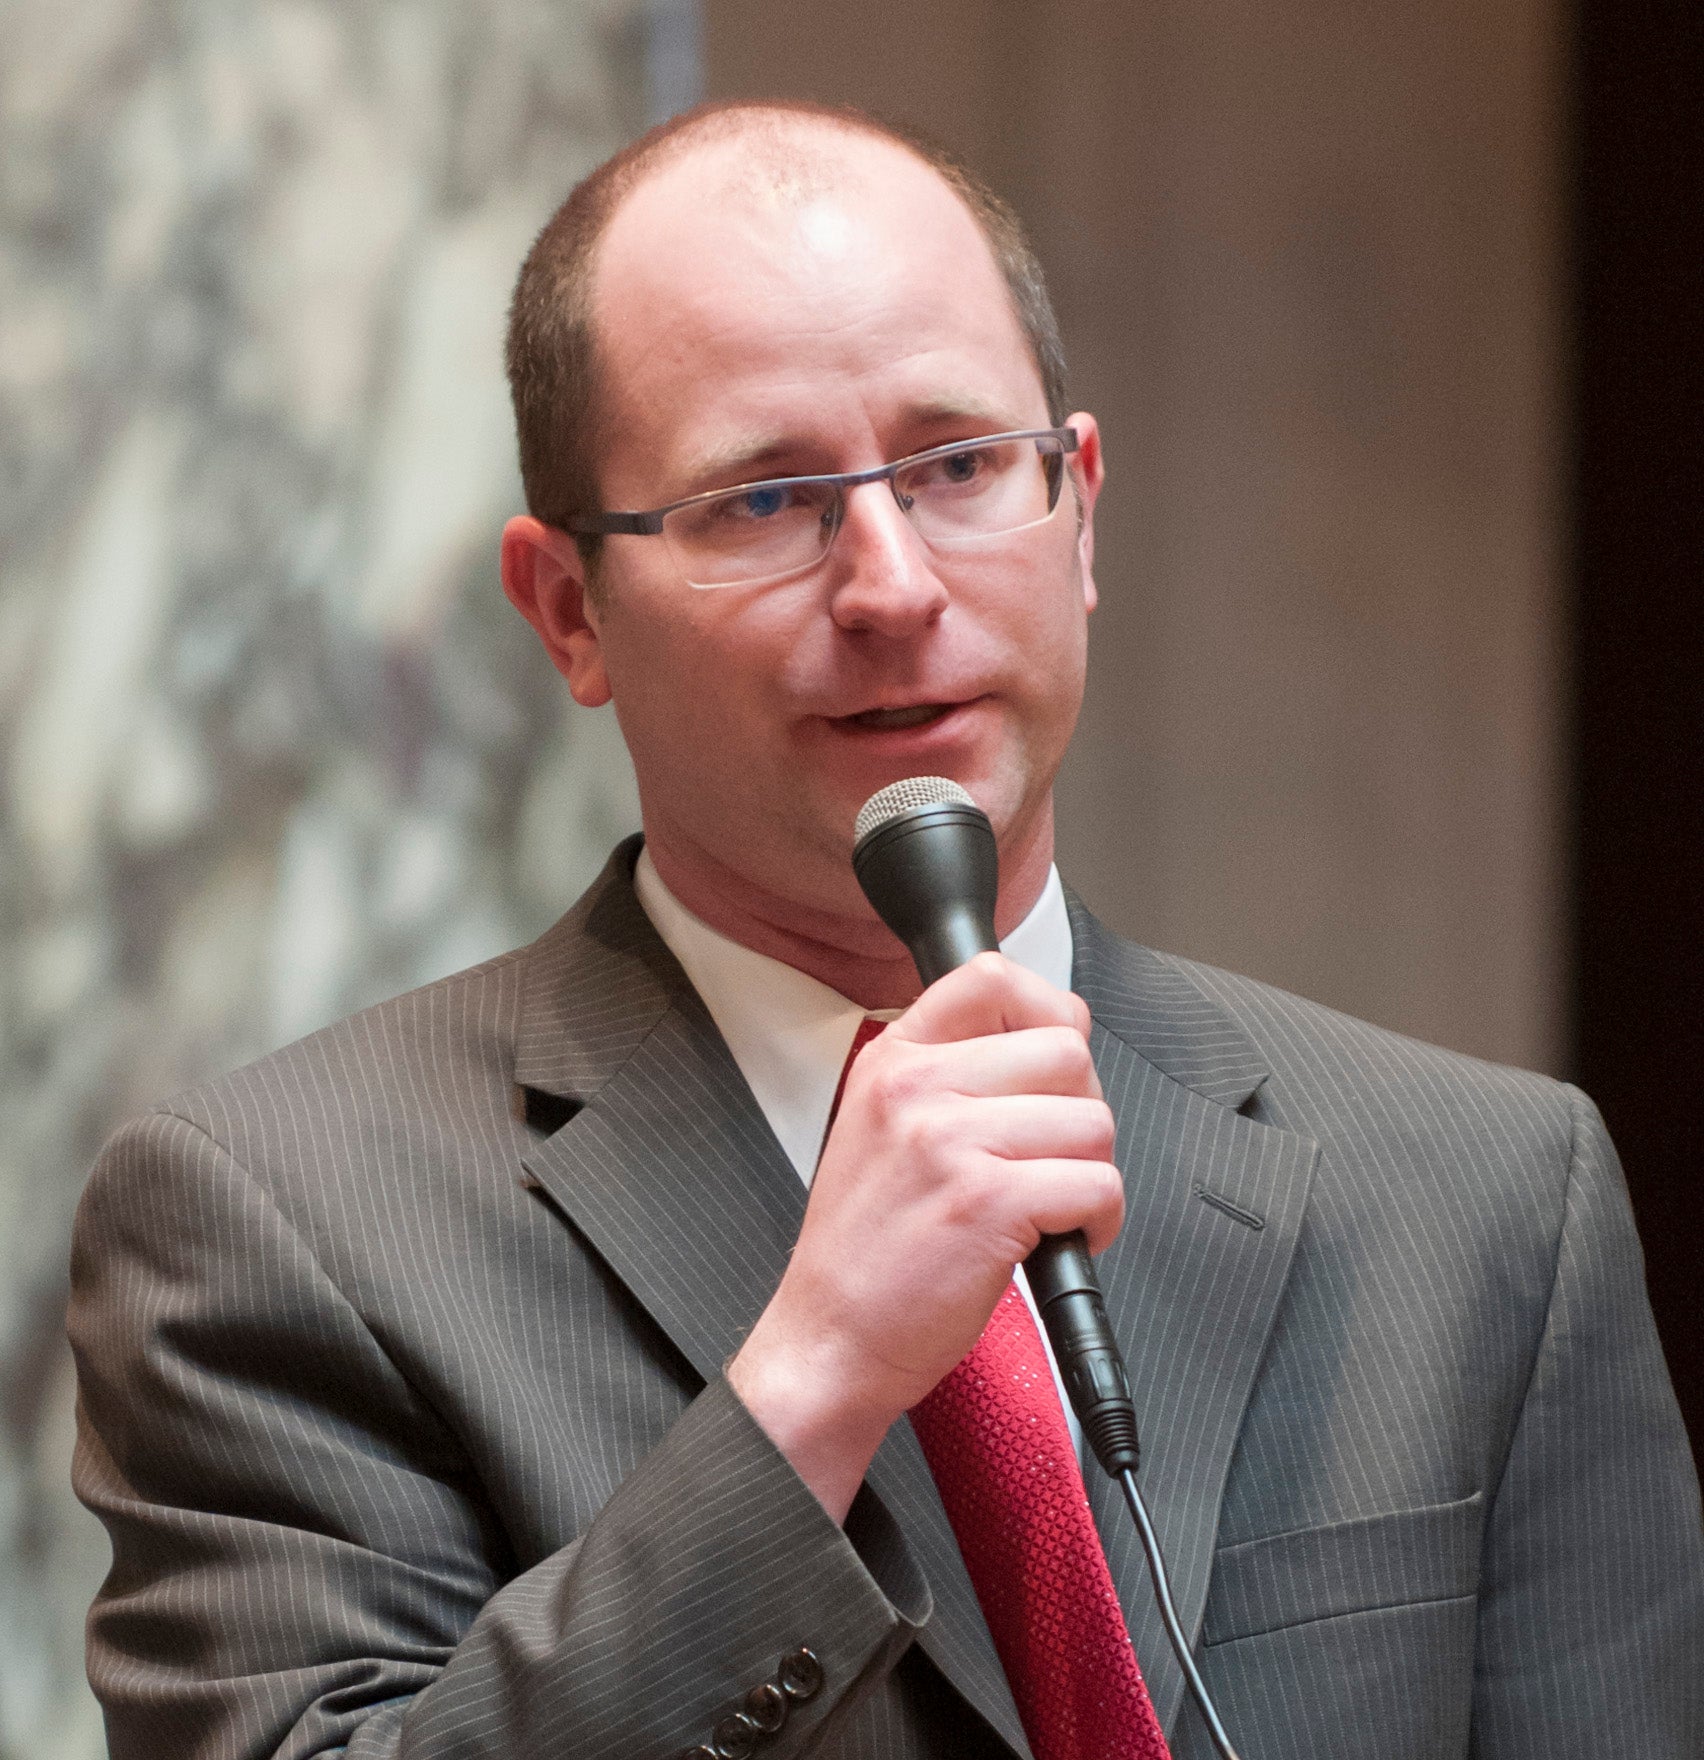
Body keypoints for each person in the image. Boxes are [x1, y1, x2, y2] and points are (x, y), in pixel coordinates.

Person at [69, 99, 1703, 1760]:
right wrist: (813, 1382)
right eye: (764, 501)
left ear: (1081, 512)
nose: (894, 586)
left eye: (962, 466)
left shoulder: (1488, 1201)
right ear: (570, 612)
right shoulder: (277, 1226)